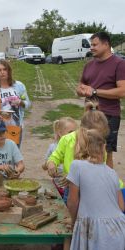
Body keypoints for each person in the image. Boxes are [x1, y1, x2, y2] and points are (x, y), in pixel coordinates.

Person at [67, 129, 125, 250]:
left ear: (81, 146)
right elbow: (121, 207)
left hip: (94, 230)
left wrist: (73, 223)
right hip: (118, 228)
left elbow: (73, 202)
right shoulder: (112, 172)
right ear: (103, 147)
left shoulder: (77, 166)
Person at [76, 31, 125, 168]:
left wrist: (95, 91)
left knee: (106, 151)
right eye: (91, 44)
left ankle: (107, 185)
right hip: (89, 114)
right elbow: (80, 87)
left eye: (95, 45)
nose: (91, 47)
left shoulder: (119, 64)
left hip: (109, 115)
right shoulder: (89, 65)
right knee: (86, 149)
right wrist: (81, 91)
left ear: (106, 44)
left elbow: (122, 91)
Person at [46, 101, 110, 202]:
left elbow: (101, 170)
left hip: (91, 191)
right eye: (95, 136)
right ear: (83, 129)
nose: (98, 139)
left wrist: (73, 177)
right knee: (70, 215)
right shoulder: (67, 140)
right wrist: (51, 163)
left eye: (100, 136)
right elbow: (55, 156)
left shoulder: (100, 144)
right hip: (70, 189)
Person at [0, 59, 31, 146]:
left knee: (14, 154)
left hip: (15, 126)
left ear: (9, 71)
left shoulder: (19, 86)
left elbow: (28, 104)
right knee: (0, 154)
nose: (2, 72)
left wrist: (20, 102)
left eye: (5, 69)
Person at [42, 117, 78, 196]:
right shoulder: (53, 147)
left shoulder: (76, 147)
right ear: (60, 133)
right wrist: (50, 164)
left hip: (71, 186)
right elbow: (44, 166)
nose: (74, 135)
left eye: (75, 132)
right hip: (57, 186)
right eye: (70, 132)